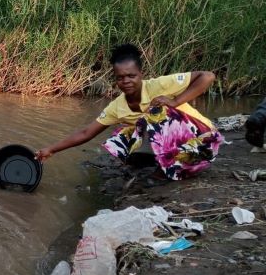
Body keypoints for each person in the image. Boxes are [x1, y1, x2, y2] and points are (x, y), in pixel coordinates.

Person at [35, 44, 224, 181]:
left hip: (203, 142)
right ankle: (165, 162)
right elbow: (86, 132)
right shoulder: (117, 106)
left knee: (155, 113)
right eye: (120, 78)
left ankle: (167, 168)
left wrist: (175, 101)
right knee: (119, 136)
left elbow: (207, 76)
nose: (126, 81)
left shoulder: (158, 85)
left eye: (131, 76)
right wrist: (50, 149)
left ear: (141, 74)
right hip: (185, 151)